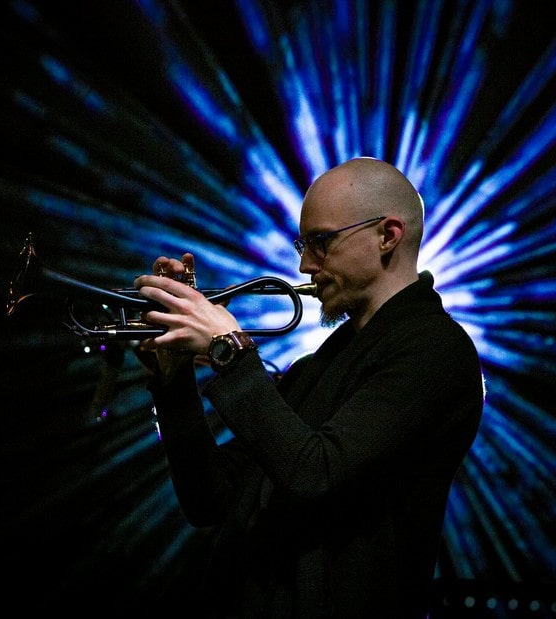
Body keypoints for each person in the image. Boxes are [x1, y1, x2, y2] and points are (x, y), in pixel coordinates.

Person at [133, 156, 485, 618]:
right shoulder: (319, 366)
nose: (304, 265)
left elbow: (316, 474)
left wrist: (229, 351)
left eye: (320, 243)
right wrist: (175, 381)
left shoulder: (435, 350)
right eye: (304, 244)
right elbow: (210, 500)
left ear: (388, 235)